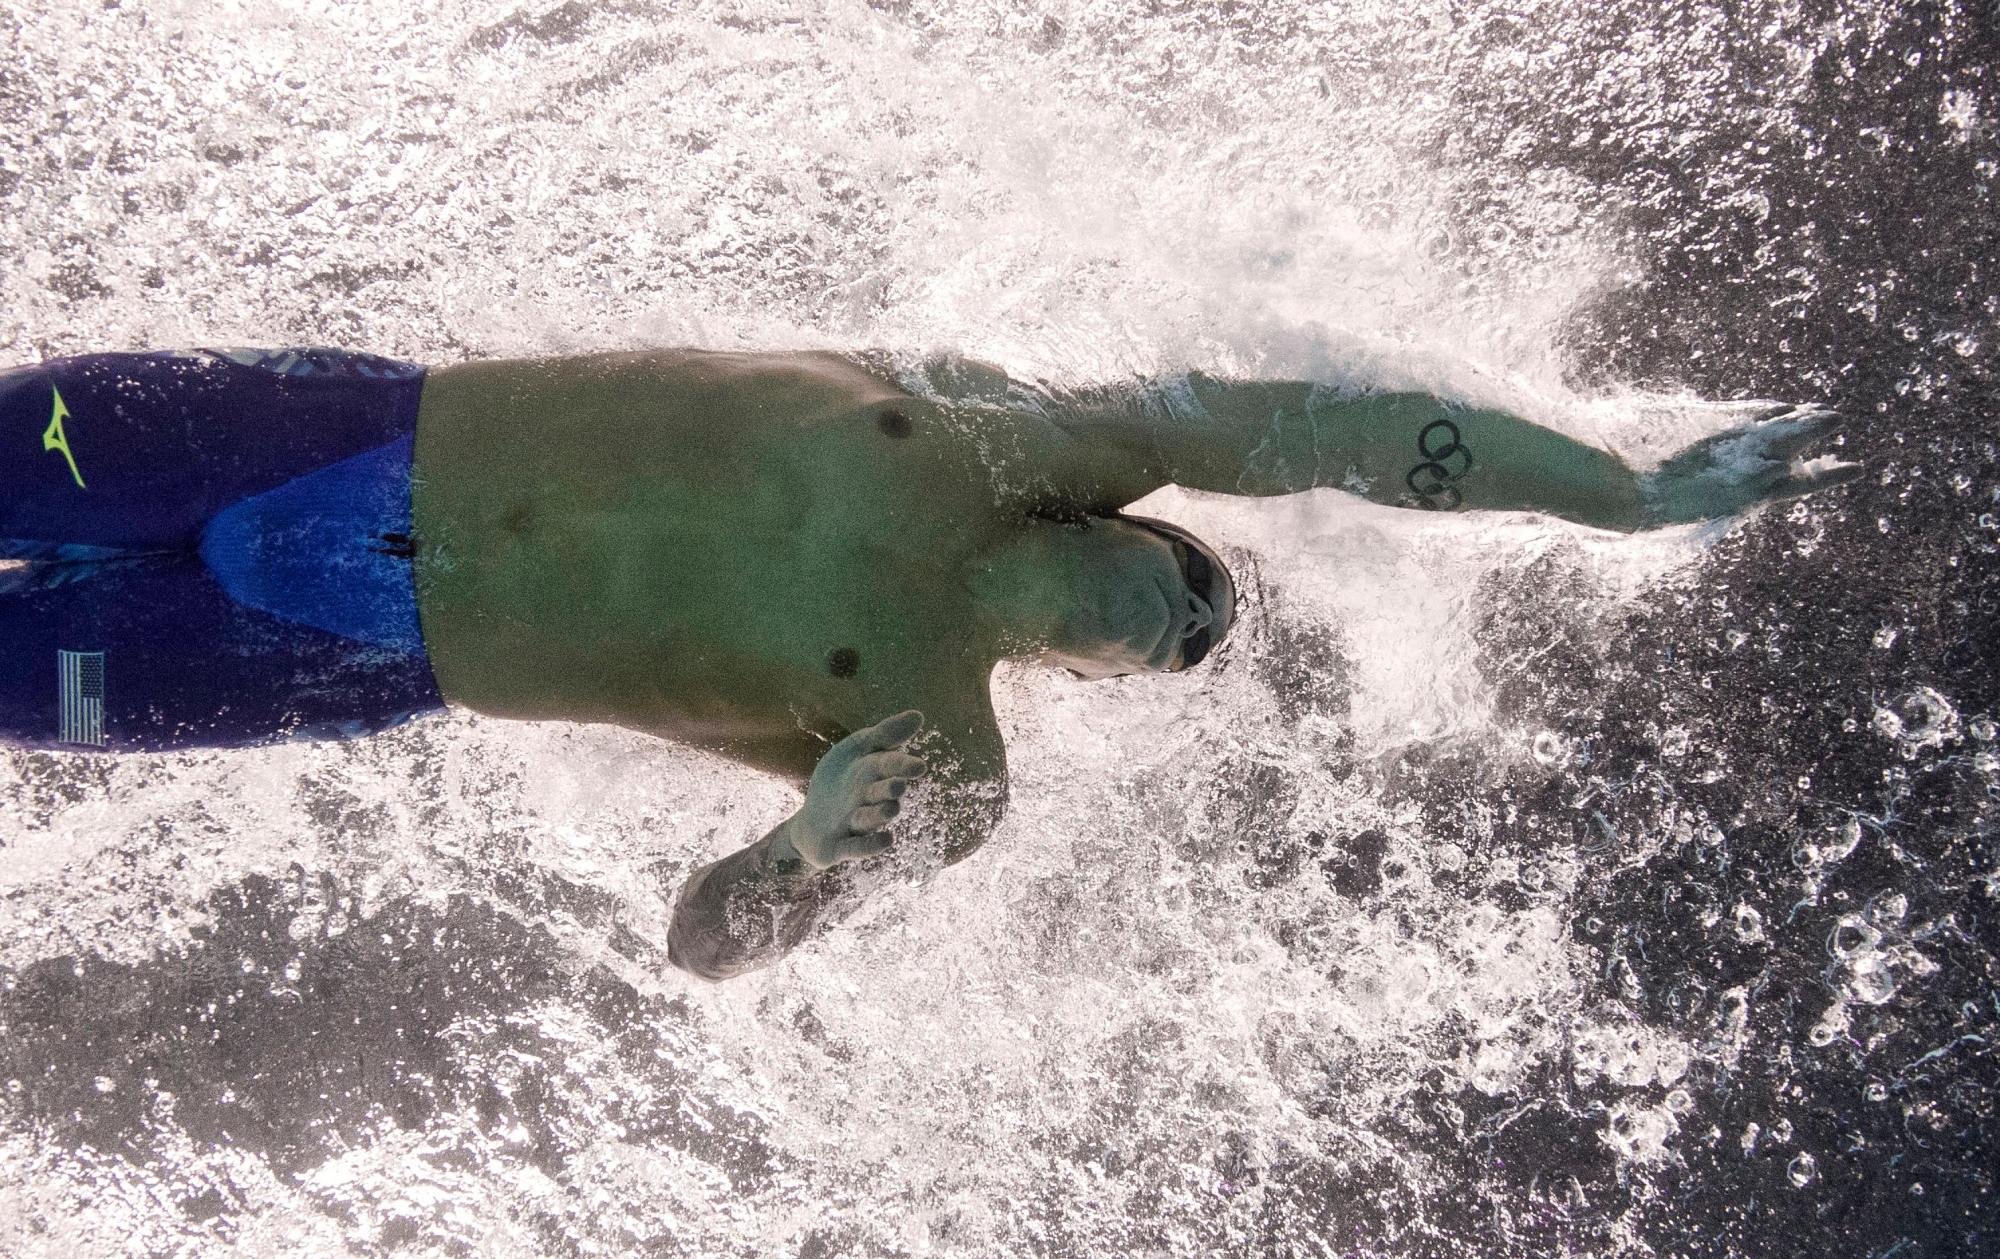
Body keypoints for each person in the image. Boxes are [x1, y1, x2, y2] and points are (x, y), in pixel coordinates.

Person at [0, 345, 1852, 978]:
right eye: (1188, 584)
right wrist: (1610, 493)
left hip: (329, 646)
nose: (1176, 618)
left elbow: (712, 946)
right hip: (319, 431)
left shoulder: (927, 759)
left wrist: (807, 848)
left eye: (1185, 651)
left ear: (1107, 683)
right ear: (1145, 526)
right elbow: (1345, 432)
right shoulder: (1026, 438)